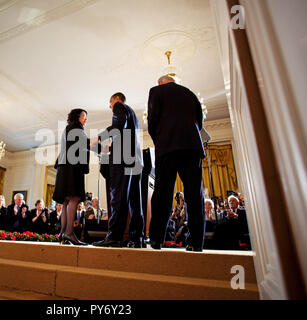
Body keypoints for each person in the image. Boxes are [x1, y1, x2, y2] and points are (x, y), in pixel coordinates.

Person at [147, 75, 206, 251]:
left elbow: (152, 120)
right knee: (195, 195)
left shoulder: (156, 91)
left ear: (161, 83)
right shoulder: (191, 94)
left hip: (168, 146)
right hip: (192, 147)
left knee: (163, 193)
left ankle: (157, 239)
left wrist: (160, 140)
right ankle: (196, 243)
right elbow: (199, 122)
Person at [90, 92, 144, 248]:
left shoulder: (120, 107)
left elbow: (117, 127)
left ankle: (114, 237)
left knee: (118, 196)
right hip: (135, 160)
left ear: (117, 100)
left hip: (123, 159)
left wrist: (99, 137)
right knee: (135, 201)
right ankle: (136, 238)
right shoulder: (134, 115)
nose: (110, 106)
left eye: (110, 102)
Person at [53, 108, 90, 246]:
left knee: (66, 201)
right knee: (73, 198)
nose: (85, 119)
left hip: (63, 168)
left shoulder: (67, 129)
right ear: (77, 117)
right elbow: (84, 144)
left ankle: (63, 233)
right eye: (84, 116)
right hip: (72, 168)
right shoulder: (77, 128)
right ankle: (69, 233)